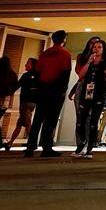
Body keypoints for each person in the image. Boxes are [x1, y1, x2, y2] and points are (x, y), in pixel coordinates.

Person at [26, 30, 73, 158]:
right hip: (56, 89)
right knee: (50, 120)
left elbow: (38, 71)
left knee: (38, 119)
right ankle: (46, 146)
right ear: (64, 39)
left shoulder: (45, 53)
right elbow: (65, 72)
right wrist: (63, 90)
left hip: (43, 88)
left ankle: (30, 147)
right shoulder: (65, 54)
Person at [73, 37, 106, 159]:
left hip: (99, 93)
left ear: (103, 49)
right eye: (94, 47)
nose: (96, 49)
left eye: (99, 47)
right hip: (87, 92)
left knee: (93, 122)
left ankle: (89, 148)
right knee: (80, 121)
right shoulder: (88, 60)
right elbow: (81, 75)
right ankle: (83, 141)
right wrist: (89, 62)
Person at [5, 58, 40, 151]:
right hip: (33, 102)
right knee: (20, 122)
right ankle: (10, 142)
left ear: (32, 65)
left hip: (25, 102)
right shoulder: (38, 76)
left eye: (28, 63)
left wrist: (7, 93)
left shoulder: (26, 76)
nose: (25, 65)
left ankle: (31, 143)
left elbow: (17, 86)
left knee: (27, 123)